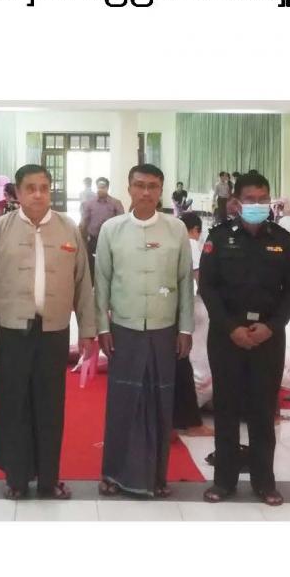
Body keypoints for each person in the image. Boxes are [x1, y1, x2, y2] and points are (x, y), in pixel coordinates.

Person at [0, 163, 97, 500]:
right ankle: (16, 478)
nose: (38, 195)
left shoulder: (68, 228)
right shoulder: (0, 229)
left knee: (50, 406)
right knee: (13, 404)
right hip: (13, 329)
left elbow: (83, 283)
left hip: (54, 330)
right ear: (17, 192)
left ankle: (48, 479)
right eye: (30, 188)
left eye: (44, 187)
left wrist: (88, 331)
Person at [197, 171, 290, 505]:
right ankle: (224, 481)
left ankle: (264, 482)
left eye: (263, 199)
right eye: (250, 199)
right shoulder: (218, 238)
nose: (258, 205)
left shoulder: (282, 239)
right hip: (226, 336)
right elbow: (208, 287)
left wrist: (272, 326)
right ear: (235, 203)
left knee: (262, 410)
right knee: (226, 408)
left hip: (268, 337)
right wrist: (231, 328)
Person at [94, 165, 194, 498]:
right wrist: (102, 326)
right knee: (122, 402)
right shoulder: (112, 229)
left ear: (161, 190)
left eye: (153, 186)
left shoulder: (176, 229)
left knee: (160, 402)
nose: (146, 192)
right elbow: (102, 282)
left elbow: (185, 281)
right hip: (125, 327)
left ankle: (155, 477)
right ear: (129, 188)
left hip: (164, 329)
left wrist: (185, 328)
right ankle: (113, 473)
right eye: (139, 185)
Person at [174, 212, 212, 433]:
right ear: (196, 230)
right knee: (189, 360)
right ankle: (190, 420)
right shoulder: (191, 244)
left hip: (170, 310)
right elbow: (200, 280)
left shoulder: (172, 241)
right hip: (191, 310)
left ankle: (180, 417)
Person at [78, 176, 123, 268]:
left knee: (108, 264)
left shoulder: (116, 203)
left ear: (107, 188)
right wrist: (82, 239)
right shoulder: (89, 203)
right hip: (93, 240)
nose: (100, 190)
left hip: (110, 240)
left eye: (103, 187)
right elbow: (84, 221)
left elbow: (121, 223)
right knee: (91, 265)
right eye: (99, 187)